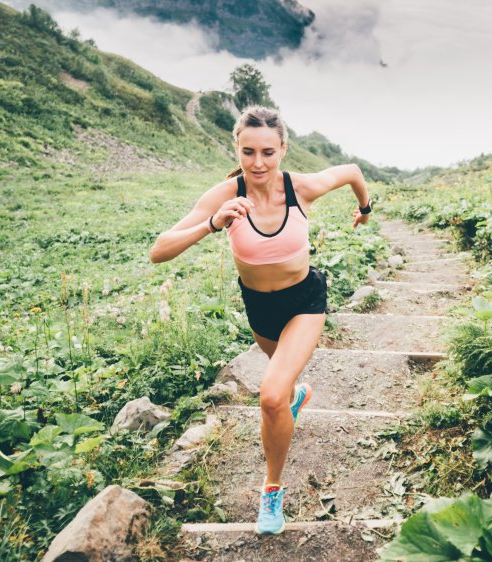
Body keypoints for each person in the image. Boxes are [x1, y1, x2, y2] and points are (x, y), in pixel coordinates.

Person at [149, 106, 372, 534]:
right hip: (260, 308)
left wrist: (365, 208)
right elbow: (159, 250)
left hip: (305, 302)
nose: (258, 163)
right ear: (237, 147)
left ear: (283, 149)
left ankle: (271, 493)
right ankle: (294, 395)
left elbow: (351, 170)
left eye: (268, 152)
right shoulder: (224, 195)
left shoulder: (301, 188)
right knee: (282, 389)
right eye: (248, 151)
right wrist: (213, 224)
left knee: (270, 397)